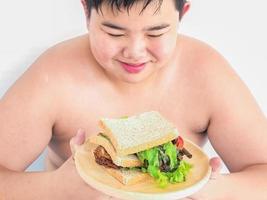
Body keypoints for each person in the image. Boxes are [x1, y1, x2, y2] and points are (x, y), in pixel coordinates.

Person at [0, 0, 266, 199]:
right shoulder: (54, 75)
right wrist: (57, 189)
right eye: (114, 33)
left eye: (156, 33)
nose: (135, 52)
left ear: (182, 14)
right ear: (85, 12)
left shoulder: (205, 72)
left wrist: (209, 190)